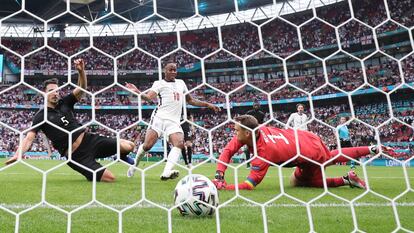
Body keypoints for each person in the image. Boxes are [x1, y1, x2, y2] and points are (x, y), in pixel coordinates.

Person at [4, 59, 136, 182]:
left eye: (57, 90)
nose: (55, 93)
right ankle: (103, 163)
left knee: (130, 146)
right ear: (44, 93)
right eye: (51, 91)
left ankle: (120, 156)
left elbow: (82, 88)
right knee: (110, 179)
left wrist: (81, 71)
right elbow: (29, 138)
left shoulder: (65, 103)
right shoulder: (41, 116)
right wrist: (18, 154)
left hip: (90, 140)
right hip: (77, 156)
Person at [212, 115, 396, 190]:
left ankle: (346, 179)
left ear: (247, 132)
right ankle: (372, 148)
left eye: (236, 131)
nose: (233, 134)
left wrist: (224, 187)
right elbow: (228, 151)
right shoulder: (257, 131)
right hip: (306, 137)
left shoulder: (264, 153)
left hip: (309, 152)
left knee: (299, 181)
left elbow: (249, 185)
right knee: (331, 157)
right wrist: (219, 174)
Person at [125, 61, 220, 180]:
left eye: (175, 70)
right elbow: (149, 98)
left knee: (179, 144)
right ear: (165, 71)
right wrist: (138, 92)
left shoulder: (181, 83)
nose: (173, 72)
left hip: (174, 121)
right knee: (147, 146)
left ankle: (166, 172)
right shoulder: (159, 83)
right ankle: (134, 166)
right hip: (159, 118)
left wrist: (208, 104)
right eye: (170, 69)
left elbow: (191, 100)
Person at [243, 101, 265, 168]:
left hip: (257, 132)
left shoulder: (262, 114)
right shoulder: (249, 113)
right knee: (247, 150)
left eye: (257, 105)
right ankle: (248, 164)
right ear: (253, 106)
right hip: (249, 132)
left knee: (259, 148)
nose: (256, 106)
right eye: (255, 105)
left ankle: (257, 163)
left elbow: (261, 123)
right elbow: (245, 121)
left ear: (259, 106)